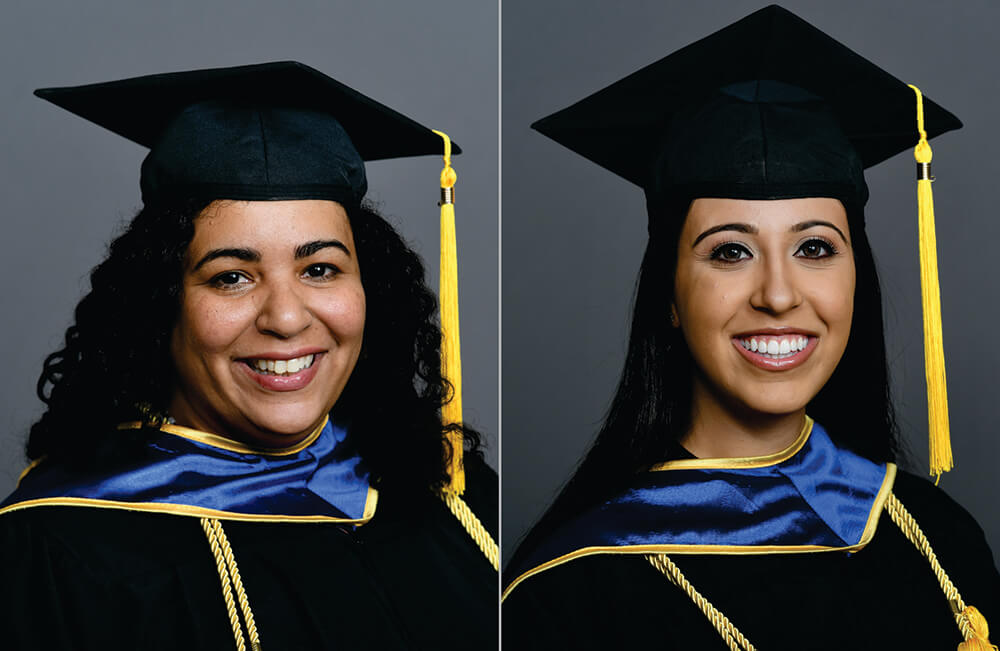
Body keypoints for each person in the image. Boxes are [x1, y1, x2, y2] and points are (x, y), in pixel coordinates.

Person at [502, 6, 999, 650]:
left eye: (815, 248)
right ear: (669, 295)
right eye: (730, 251)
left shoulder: (937, 540)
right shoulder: (569, 593)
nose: (778, 295)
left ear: (857, 277)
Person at [0, 61, 497, 650]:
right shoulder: (52, 552)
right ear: (160, 301)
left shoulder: (453, 497)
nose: (285, 319)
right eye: (231, 277)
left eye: (320, 269)